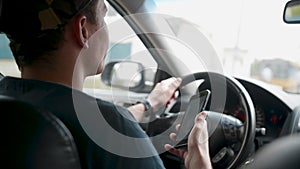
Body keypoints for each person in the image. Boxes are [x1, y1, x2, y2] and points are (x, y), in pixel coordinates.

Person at [0, 0, 212, 169]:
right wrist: (201, 164)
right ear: (83, 30)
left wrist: (148, 106)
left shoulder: (8, 103)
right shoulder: (114, 131)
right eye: (103, 16)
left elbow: (93, 123)